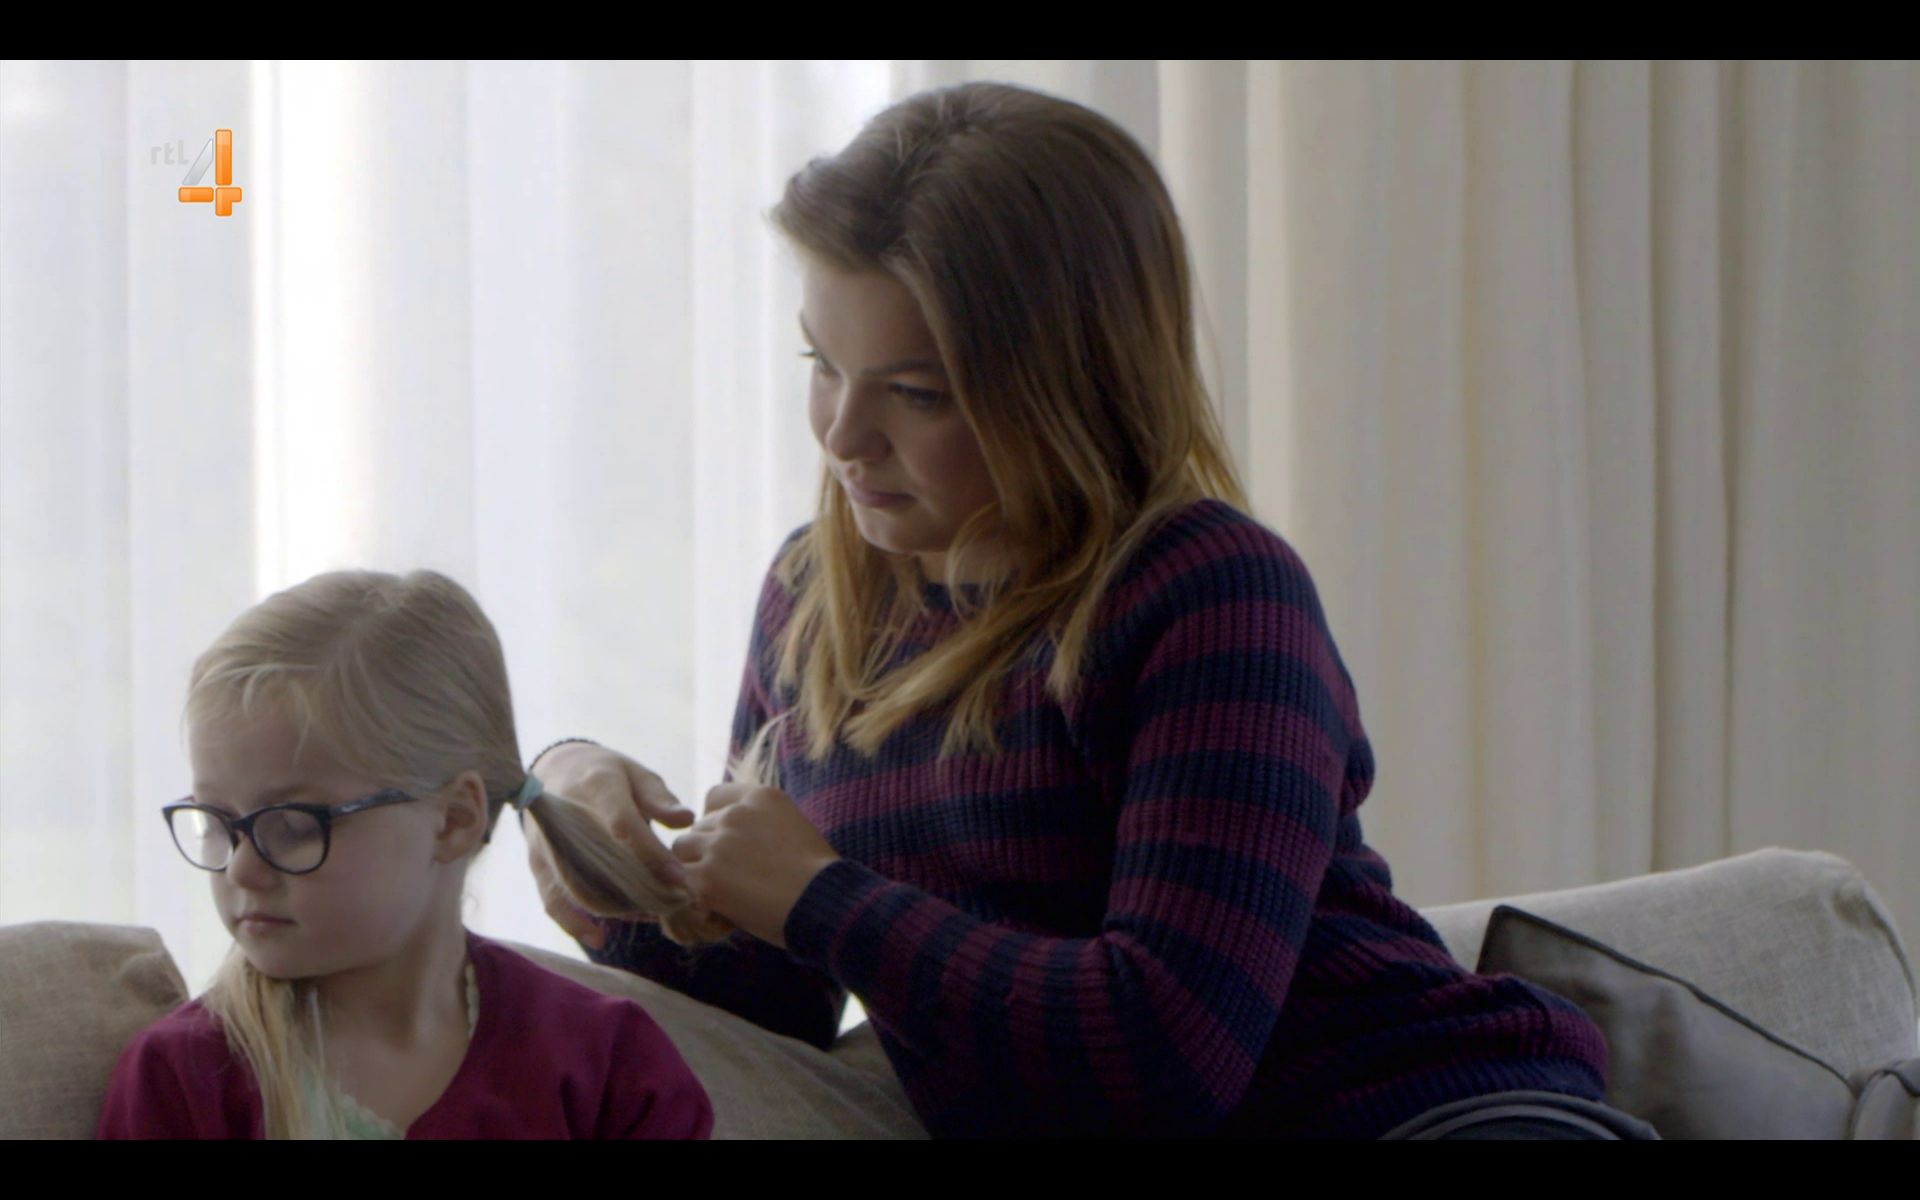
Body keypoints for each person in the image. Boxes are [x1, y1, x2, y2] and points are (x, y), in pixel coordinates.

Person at [524, 80, 1659, 1140]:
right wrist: (586, 843)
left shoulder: (1210, 593)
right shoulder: (814, 600)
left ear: (1069, 381)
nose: (844, 435)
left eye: (916, 392)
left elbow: (1169, 1056)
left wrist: (821, 896)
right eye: (823, 363)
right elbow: (776, 1002)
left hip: (1428, 1113)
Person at [96, 569, 714, 1139]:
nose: (241, 869)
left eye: (291, 825)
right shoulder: (182, 1077)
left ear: (453, 819)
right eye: (218, 822)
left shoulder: (611, 1065)